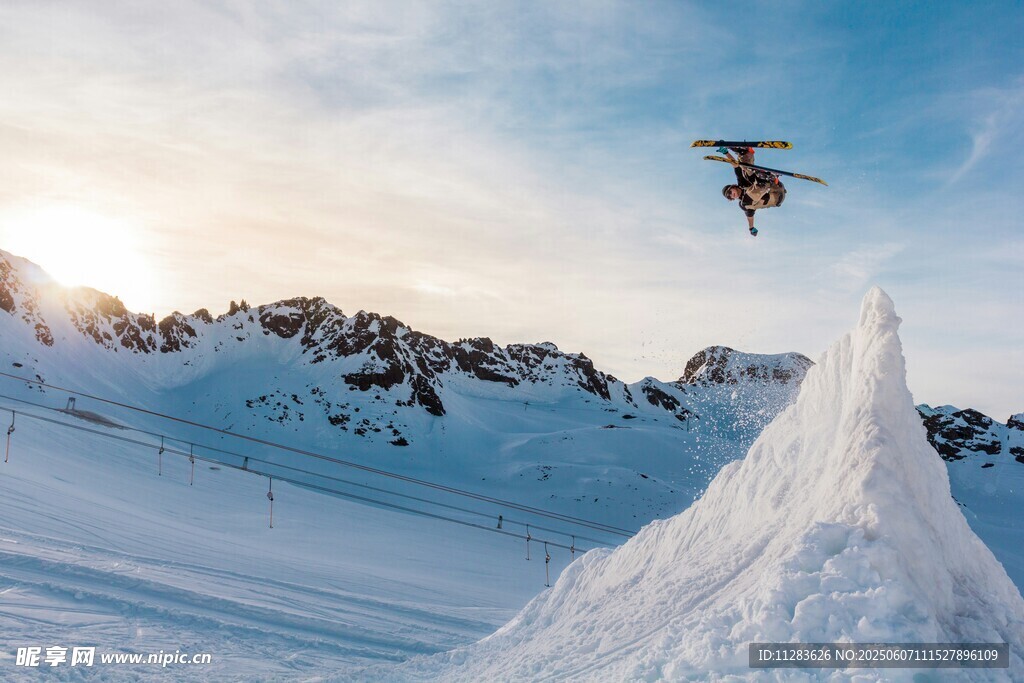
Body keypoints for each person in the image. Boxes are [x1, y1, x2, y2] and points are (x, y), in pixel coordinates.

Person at [720, 147, 785, 236]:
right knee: (745, 202)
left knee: (744, 170)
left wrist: (726, 153)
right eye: (729, 197)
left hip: (775, 186)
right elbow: (750, 216)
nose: (731, 196)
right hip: (777, 197)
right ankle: (762, 182)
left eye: (729, 193)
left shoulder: (741, 183)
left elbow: (735, 165)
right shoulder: (744, 203)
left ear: (732, 187)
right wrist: (751, 228)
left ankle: (745, 153)